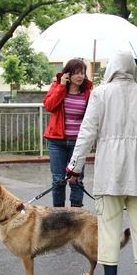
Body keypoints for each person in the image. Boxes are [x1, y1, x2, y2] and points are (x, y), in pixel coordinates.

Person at [66, 50, 137, 275]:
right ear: (132, 69)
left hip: (109, 173)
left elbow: (86, 134)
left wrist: (73, 168)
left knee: (109, 229)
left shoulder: (100, 94)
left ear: (111, 68)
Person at [43, 58, 94, 208]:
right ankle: (58, 215)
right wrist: (61, 86)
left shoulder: (87, 93)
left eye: (83, 73)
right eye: (77, 73)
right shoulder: (57, 86)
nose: (80, 76)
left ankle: (76, 215)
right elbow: (49, 106)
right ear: (68, 74)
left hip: (78, 142)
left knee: (76, 179)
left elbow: (93, 116)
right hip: (57, 141)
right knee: (58, 179)